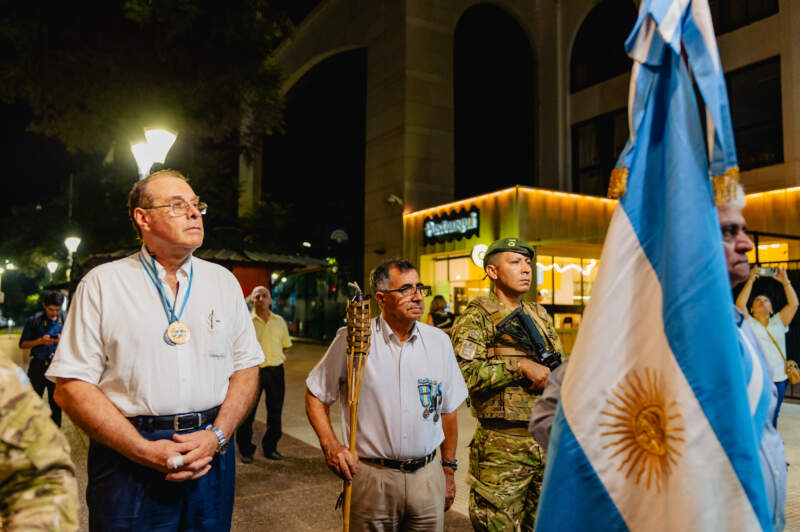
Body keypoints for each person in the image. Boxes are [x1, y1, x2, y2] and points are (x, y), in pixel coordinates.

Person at [530, 186, 787, 530]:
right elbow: (553, 418)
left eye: (743, 229)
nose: (747, 243)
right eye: (729, 231)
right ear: (686, 239)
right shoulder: (638, 330)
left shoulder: (743, 328)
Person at [46, 169, 263, 531]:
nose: (194, 213)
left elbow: (246, 367)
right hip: (128, 458)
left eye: (197, 205)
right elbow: (71, 387)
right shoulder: (104, 284)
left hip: (209, 451)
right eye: (177, 205)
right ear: (142, 218)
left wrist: (219, 435)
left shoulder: (223, 282)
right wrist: (142, 449)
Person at [305, 258, 468, 531]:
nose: (417, 296)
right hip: (371, 478)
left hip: (427, 477)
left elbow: (448, 410)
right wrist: (331, 446)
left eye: (419, 287)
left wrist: (448, 471)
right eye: (405, 289)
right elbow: (316, 394)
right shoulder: (354, 340)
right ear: (381, 298)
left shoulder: (439, 341)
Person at [450, 237, 563, 531]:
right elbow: (464, 375)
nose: (525, 269)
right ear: (492, 271)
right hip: (501, 449)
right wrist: (520, 366)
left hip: (544, 444)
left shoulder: (539, 316)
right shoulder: (476, 317)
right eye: (515, 262)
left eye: (528, 263)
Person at [0, 357, 79, 530]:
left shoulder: (3, 380)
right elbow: (25, 343)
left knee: (53, 403)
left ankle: (56, 425)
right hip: (38, 366)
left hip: (47, 369)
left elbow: (44, 476)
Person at [736, 267, 798, 427]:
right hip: (758, 378)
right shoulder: (749, 323)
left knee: (774, 414)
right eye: (757, 301)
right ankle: (761, 443)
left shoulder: (779, 321)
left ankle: (771, 442)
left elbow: (794, 304)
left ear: (771, 309)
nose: (762, 301)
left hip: (779, 379)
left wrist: (786, 282)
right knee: (758, 414)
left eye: (766, 300)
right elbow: (740, 304)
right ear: (752, 309)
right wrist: (750, 279)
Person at [236, 286, 292, 462]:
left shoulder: (280, 321)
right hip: (253, 371)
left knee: (275, 412)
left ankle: (270, 447)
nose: (261, 299)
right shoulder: (245, 322)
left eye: (264, 296)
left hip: (276, 371)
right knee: (247, 412)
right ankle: (246, 450)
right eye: (257, 296)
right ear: (252, 301)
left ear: (270, 300)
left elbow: (284, 345)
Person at [19, 291, 65, 426]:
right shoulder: (34, 320)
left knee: (56, 403)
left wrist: (63, 341)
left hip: (56, 366)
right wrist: (39, 341)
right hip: (38, 365)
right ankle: (32, 431)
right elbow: (22, 344)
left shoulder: (66, 319)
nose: (54, 313)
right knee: (33, 401)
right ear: (44, 305)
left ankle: (56, 435)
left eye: (57, 310)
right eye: (51, 309)